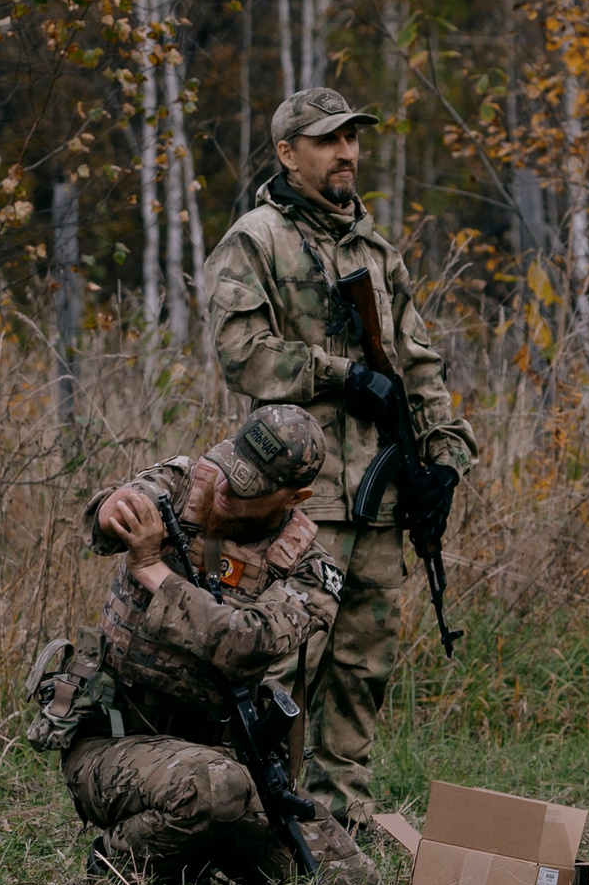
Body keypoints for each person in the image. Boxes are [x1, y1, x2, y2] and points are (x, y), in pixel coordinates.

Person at [198, 87, 478, 833]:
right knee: (284, 663)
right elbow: (243, 356)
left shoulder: (375, 252)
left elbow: (419, 366)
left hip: (379, 504)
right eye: (328, 141)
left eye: (352, 139)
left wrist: (443, 462)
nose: (347, 153)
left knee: (363, 666)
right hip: (299, 500)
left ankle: (342, 817)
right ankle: (263, 818)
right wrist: (339, 373)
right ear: (288, 154)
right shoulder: (255, 240)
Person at [32, 405, 376, 885]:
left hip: (219, 751)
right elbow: (104, 522)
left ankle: (190, 853)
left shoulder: (312, 573)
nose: (225, 491)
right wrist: (114, 510)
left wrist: (153, 570)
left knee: (347, 879)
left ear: (294, 497)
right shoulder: (180, 482)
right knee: (216, 787)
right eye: (230, 472)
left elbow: (246, 641)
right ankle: (115, 864)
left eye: (249, 489)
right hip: (111, 742)